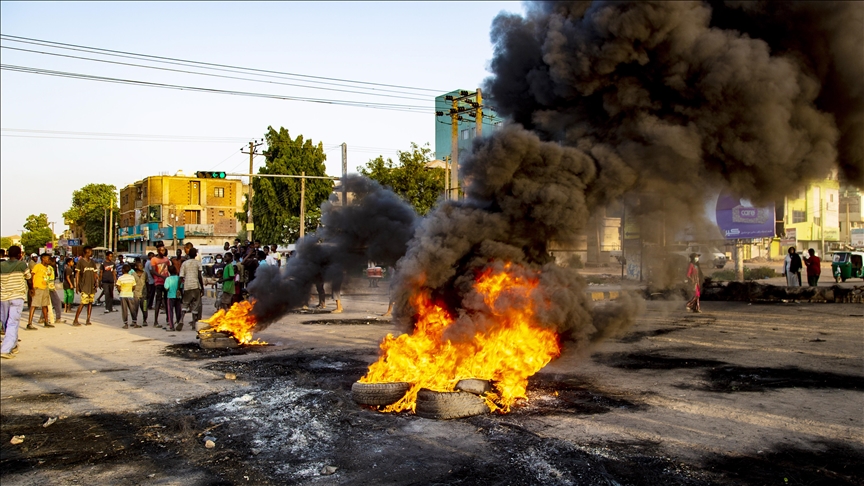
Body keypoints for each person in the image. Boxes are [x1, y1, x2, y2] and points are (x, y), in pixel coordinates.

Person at [1, 246, 31, 358]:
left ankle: (12, 345)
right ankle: (5, 349)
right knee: (13, 323)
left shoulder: (1, 265)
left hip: (3, 297)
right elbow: (29, 278)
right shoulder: (22, 265)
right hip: (17, 297)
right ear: (19, 255)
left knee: (6, 322)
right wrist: (31, 290)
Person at [28, 253, 55, 329]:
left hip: (45, 287)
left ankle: (46, 322)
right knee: (34, 305)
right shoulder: (38, 266)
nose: (49, 260)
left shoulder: (47, 268)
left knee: (45, 305)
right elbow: (32, 275)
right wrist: (31, 288)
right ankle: (29, 323)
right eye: (48, 259)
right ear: (43, 259)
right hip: (38, 287)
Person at [178, 248, 203, 330]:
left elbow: (181, 277)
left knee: (185, 304)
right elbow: (199, 276)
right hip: (195, 286)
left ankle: (181, 320)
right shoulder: (198, 263)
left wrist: (178, 288)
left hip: (187, 286)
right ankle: (194, 323)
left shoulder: (184, 263)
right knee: (195, 304)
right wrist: (202, 287)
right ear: (196, 254)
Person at [73, 246, 99, 326]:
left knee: (90, 302)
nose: (91, 253)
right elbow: (77, 275)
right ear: (86, 252)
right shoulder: (80, 262)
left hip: (91, 285)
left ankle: (88, 319)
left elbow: (95, 273)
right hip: (84, 285)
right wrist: (77, 286)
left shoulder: (92, 262)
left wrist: (96, 282)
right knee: (83, 303)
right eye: (90, 252)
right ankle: (75, 320)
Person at [150, 243, 170, 328]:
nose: (162, 251)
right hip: (158, 282)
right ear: (157, 250)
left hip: (166, 282)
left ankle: (168, 319)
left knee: (166, 300)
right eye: (161, 250)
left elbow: (169, 269)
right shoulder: (154, 259)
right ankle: (155, 321)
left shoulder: (166, 259)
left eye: (163, 250)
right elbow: (153, 271)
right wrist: (161, 276)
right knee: (158, 300)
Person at [116, 264, 140, 329]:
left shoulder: (120, 278)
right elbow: (134, 287)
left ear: (123, 270)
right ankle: (134, 322)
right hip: (130, 294)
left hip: (123, 295)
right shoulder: (132, 277)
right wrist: (130, 290)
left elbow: (118, 287)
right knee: (132, 309)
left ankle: (126, 324)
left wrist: (121, 291)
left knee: (124, 310)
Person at [163, 265, 181, 331]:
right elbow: (181, 286)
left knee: (170, 311)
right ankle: (179, 322)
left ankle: (171, 326)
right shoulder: (178, 278)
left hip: (170, 296)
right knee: (178, 310)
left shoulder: (168, 279)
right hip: (178, 296)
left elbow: (166, 287)